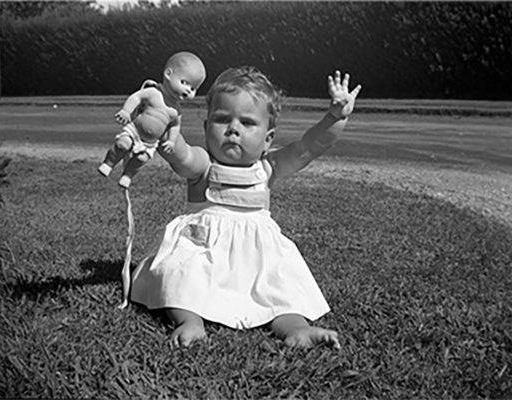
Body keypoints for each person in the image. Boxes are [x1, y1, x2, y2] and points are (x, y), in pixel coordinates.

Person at [130, 66, 361, 348]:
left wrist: (336, 116)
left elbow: (309, 147)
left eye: (248, 123)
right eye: (222, 119)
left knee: (280, 285)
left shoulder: (268, 168)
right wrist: (164, 126)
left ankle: (296, 328)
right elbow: (181, 155)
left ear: (268, 138)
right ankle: (189, 320)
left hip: (256, 256)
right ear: (205, 127)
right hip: (203, 249)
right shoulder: (203, 165)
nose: (233, 129)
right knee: (180, 274)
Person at [97, 51, 206, 188]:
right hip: (135, 130)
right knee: (122, 144)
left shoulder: (176, 110)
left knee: (141, 159)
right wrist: (126, 111)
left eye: (193, 88)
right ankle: (109, 163)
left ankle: (128, 175)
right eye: (184, 83)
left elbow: (175, 126)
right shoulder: (154, 93)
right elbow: (137, 97)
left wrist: (171, 141)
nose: (188, 90)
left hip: (150, 142)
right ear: (168, 74)